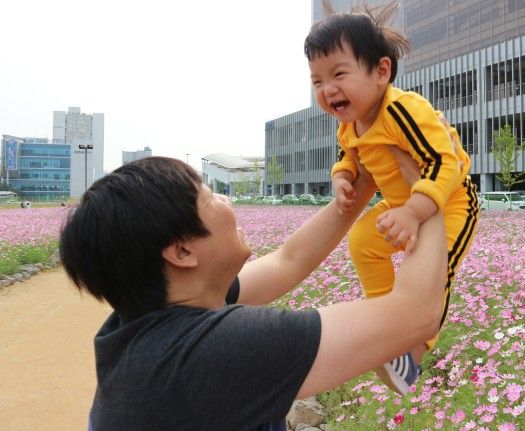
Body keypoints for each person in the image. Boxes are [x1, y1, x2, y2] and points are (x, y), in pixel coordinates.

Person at [59, 156, 448, 430]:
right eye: (211, 198)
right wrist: (427, 187)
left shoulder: (151, 315)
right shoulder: (213, 353)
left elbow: (289, 261)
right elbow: (415, 315)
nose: (228, 202)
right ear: (181, 252)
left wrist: (362, 180)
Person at [304, 0, 480, 394]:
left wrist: (416, 212)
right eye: (316, 80)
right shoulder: (349, 125)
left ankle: (413, 349)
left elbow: (443, 163)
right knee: (363, 240)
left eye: (338, 74)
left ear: (381, 71)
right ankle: (386, 325)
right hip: (401, 205)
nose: (328, 89)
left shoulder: (403, 110)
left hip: (451, 202)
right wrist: (343, 178)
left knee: (435, 271)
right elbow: (346, 155)